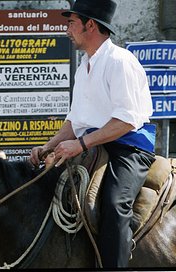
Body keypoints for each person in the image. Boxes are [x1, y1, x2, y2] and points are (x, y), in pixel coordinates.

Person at [29, 0, 156, 268]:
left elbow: (125, 121)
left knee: (114, 204)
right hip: (91, 144)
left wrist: (80, 145)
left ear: (90, 25)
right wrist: (48, 146)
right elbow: (76, 122)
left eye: (71, 23)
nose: (67, 30)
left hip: (129, 148)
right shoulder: (83, 67)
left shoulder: (120, 61)